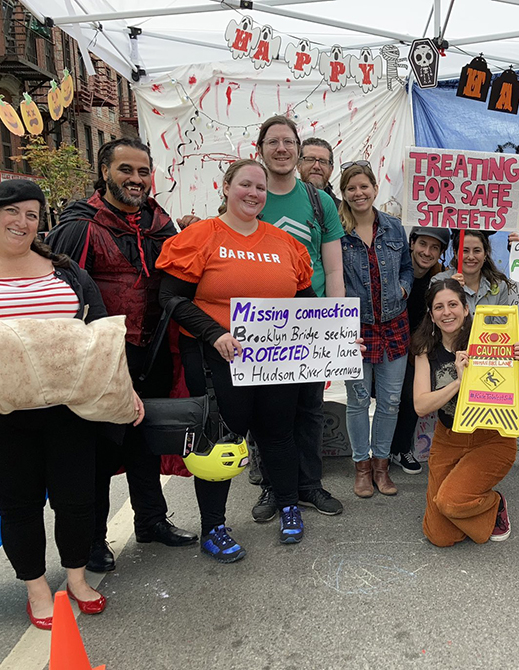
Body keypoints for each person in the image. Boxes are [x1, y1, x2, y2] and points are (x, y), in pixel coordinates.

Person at [0, 180, 144, 628]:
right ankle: (37, 588)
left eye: (33, 214)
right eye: (13, 212)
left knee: (76, 500)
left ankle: (76, 579)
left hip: (67, 410)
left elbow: (99, 333)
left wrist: (126, 389)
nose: (23, 222)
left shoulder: (63, 270)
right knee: (18, 505)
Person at [46, 138, 197, 574]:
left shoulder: (161, 224)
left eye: (143, 171)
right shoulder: (80, 226)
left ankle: (150, 520)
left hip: (153, 352)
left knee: (145, 441)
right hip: (101, 358)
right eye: (126, 170)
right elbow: (60, 297)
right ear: (105, 171)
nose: (135, 179)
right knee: (95, 450)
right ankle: (91, 539)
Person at [156, 159, 316, 561]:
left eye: (261, 188)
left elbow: (306, 303)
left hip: (276, 361)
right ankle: (213, 526)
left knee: (279, 433)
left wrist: (338, 341)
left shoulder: (285, 244)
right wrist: (214, 333)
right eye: (245, 185)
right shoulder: (200, 236)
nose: (253, 194)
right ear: (226, 187)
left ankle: (288, 504)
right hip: (216, 360)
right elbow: (171, 297)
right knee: (219, 443)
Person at [250, 116, 345, 521]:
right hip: (261, 324)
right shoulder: (251, 195)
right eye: (274, 142)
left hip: (312, 321)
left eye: (289, 141)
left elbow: (335, 270)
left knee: (309, 411)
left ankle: (310, 485)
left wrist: (337, 324)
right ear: (261, 149)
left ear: (298, 148)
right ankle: (275, 488)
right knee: (269, 415)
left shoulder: (319, 201)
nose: (282, 149)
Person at [414, 279, 519, 546]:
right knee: (439, 535)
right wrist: (459, 381)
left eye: (453, 305)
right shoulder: (426, 351)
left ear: (466, 308)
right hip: (449, 439)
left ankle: (493, 502)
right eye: (439, 307)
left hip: (492, 438)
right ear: (431, 315)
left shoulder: (484, 336)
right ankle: (471, 502)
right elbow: (421, 405)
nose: (447, 312)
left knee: (449, 501)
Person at [339, 161, 412, 498]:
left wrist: (403, 289)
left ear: (374, 189)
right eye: (351, 188)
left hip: (394, 326)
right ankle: (361, 468)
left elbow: (408, 269)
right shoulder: (337, 231)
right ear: (344, 193)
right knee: (356, 400)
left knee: (390, 401)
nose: (358, 193)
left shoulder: (394, 227)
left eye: (363, 186)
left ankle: (381, 467)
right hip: (356, 329)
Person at [392, 226, 451, 474]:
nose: (427, 252)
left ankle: (401, 448)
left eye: (434, 247)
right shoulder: (394, 268)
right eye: (422, 244)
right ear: (412, 243)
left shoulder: (441, 277)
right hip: (389, 342)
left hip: (420, 347)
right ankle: (375, 454)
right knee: (384, 398)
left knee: (410, 395)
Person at [432, 229, 513, 311]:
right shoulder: (438, 281)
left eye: (477, 251)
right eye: (465, 251)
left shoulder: (500, 286)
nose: (471, 257)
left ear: (485, 254)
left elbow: (500, 323)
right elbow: (435, 319)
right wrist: (447, 292)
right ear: (455, 253)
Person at [298, 137, 341, 206]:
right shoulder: (284, 203)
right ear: (298, 166)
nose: (316, 166)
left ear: (331, 169)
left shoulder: (343, 212)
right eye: (310, 159)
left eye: (323, 161)